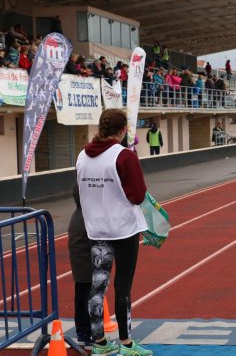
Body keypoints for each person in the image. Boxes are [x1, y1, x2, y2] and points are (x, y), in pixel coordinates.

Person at [75, 108, 152, 356]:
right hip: (123, 229)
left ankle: (99, 343)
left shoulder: (81, 157)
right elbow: (138, 195)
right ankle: (127, 344)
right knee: (123, 287)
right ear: (122, 131)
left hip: (96, 229)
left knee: (98, 287)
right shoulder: (124, 156)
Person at [67, 184, 92, 348]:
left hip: (82, 263)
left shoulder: (79, 215)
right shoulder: (85, 218)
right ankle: (85, 334)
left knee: (82, 296)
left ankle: (84, 332)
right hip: (85, 263)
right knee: (86, 298)